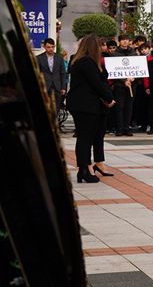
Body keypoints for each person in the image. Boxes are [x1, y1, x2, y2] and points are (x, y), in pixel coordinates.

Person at [66, 34, 116, 184]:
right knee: (85, 139)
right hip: (84, 105)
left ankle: (85, 169)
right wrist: (109, 98)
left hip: (84, 104)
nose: (102, 49)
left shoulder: (82, 60)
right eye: (99, 46)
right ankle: (84, 169)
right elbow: (96, 83)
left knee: (85, 138)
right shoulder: (86, 62)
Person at [38, 38, 68, 119]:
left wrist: (63, 87)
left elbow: (63, 73)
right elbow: (38, 74)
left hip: (57, 87)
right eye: (48, 47)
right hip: (45, 87)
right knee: (45, 108)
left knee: (56, 108)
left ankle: (55, 123)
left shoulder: (59, 57)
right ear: (44, 47)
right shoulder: (39, 58)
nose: (51, 49)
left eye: (52, 47)